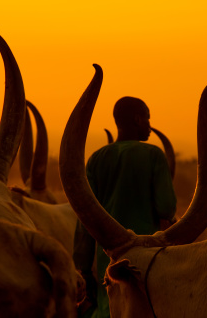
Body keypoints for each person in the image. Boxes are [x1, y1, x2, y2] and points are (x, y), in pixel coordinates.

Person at [73, 96, 177, 318]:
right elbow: (167, 207)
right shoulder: (153, 155)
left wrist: (82, 266)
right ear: (138, 120)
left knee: (108, 307)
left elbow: (85, 216)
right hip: (147, 255)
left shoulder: (96, 159)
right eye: (148, 119)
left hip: (108, 257)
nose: (150, 126)